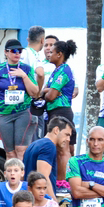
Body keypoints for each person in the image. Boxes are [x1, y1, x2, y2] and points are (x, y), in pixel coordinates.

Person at [0, 38, 39, 161]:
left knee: (21, 150)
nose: (17, 53)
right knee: (10, 153)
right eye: (14, 51)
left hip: (23, 112)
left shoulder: (27, 68)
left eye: (19, 51)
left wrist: (23, 76)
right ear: (6, 52)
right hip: (4, 113)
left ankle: (23, 174)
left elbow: (35, 92)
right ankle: (12, 174)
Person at [41, 39, 77, 182]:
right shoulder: (56, 71)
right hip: (53, 112)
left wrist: (47, 92)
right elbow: (46, 91)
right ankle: (59, 180)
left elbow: (50, 96)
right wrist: (48, 91)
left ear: (59, 54)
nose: (49, 54)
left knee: (63, 149)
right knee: (57, 149)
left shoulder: (63, 71)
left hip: (61, 112)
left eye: (52, 52)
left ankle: (64, 182)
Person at [22, 116, 73, 202]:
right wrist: (54, 202)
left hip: (30, 199)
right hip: (40, 202)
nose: (68, 139)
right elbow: (43, 176)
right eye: (66, 134)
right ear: (56, 130)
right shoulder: (49, 146)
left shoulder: (34, 144)